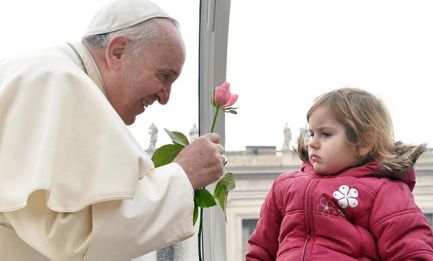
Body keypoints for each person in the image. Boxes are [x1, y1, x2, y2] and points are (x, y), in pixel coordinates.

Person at [0, 0, 226, 260]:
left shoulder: (47, 73)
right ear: (117, 52)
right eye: (164, 76)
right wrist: (182, 176)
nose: (165, 98)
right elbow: (70, 240)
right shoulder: (56, 82)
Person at [246, 88, 433, 260]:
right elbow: (261, 249)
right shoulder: (285, 185)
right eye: (312, 133)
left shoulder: (384, 191)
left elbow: (411, 250)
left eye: (325, 134)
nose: (312, 143)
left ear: (363, 143)